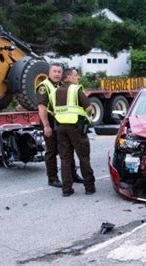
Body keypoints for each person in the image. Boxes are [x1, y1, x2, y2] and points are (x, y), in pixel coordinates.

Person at [36, 63, 84, 188]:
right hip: (50, 122)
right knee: (52, 151)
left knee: (68, 148)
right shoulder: (44, 87)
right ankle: (52, 178)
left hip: (63, 121)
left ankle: (73, 175)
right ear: (49, 73)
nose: (57, 74)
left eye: (59, 72)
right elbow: (42, 108)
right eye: (54, 71)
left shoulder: (61, 85)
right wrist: (46, 126)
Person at [52, 68, 96, 197]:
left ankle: (66, 189)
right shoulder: (76, 90)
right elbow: (88, 107)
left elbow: (53, 110)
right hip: (76, 128)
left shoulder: (56, 91)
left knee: (65, 159)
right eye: (76, 75)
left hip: (60, 128)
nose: (78, 78)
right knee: (83, 157)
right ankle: (89, 187)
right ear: (69, 77)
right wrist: (88, 116)